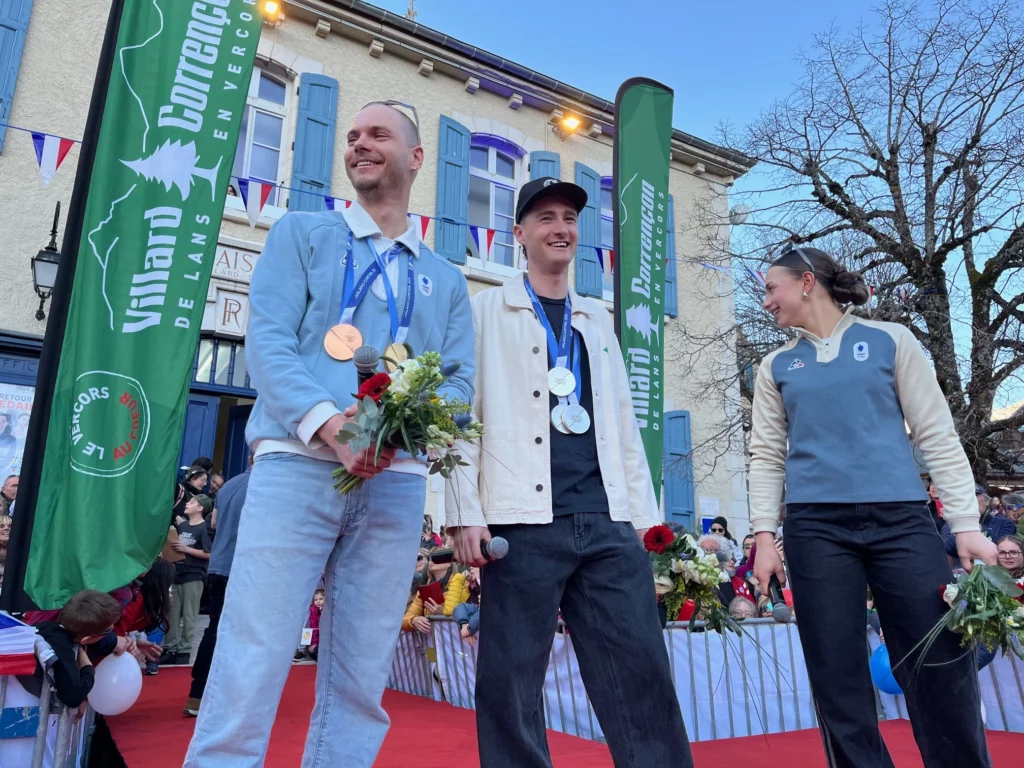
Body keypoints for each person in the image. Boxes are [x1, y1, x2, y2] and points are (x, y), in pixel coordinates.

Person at [184, 100, 475, 768]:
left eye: (377, 134)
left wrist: (398, 432)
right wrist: (332, 424)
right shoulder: (301, 234)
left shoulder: (445, 279)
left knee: (361, 668)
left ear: (417, 158)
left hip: (396, 483)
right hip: (296, 463)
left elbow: (459, 386)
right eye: (351, 136)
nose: (358, 144)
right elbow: (270, 344)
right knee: (252, 652)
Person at [448, 177, 693, 768]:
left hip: (608, 522)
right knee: (512, 680)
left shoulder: (597, 319)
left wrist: (645, 518)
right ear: (520, 234)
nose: (561, 228)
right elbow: (459, 420)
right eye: (546, 218)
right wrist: (463, 514)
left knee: (639, 670)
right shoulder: (483, 310)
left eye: (569, 219)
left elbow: (623, 428)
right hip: (521, 522)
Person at [750, 244, 995, 768]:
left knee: (939, 658)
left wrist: (966, 525)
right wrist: (764, 536)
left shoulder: (891, 340)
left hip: (902, 520)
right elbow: (767, 456)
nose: (767, 300)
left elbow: (936, 434)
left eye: (772, 288)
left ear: (807, 281)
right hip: (816, 529)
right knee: (835, 672)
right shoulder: (775, 366)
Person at [183, 460, 250, 716]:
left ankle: (197, 694)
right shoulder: (264, 484)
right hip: (244, 567)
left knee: (214, 629)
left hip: (219, 566)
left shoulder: (228, 486)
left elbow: (214, 525)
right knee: (244, 634)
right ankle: (232, 698)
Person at [22, 590, 126, 708]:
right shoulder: (62, 649)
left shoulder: (44, 626)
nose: (111, 632)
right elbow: (74, 697)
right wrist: (87, 665)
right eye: (108, 631)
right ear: (86, 639)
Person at [161, 495, 213, 665]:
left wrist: (186, 549)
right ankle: (170, 647)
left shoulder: (204, 528)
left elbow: (208, 554)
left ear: (200, 508)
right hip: (177, 574)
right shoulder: (182, 526)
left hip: (194, 575)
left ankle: (184, 649)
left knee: (189, 614)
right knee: (172, 614)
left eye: (192, 502)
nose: (188, 504)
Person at [940, 484, 1016, 559]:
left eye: (974, 496)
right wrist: (961, 526)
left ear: (987, 501)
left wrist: (978, 528)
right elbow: (947, 549)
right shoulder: (951, 525)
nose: (970, 500)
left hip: (993, 569)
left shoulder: (1005, 523)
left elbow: (1001, 548)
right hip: (961, 570)